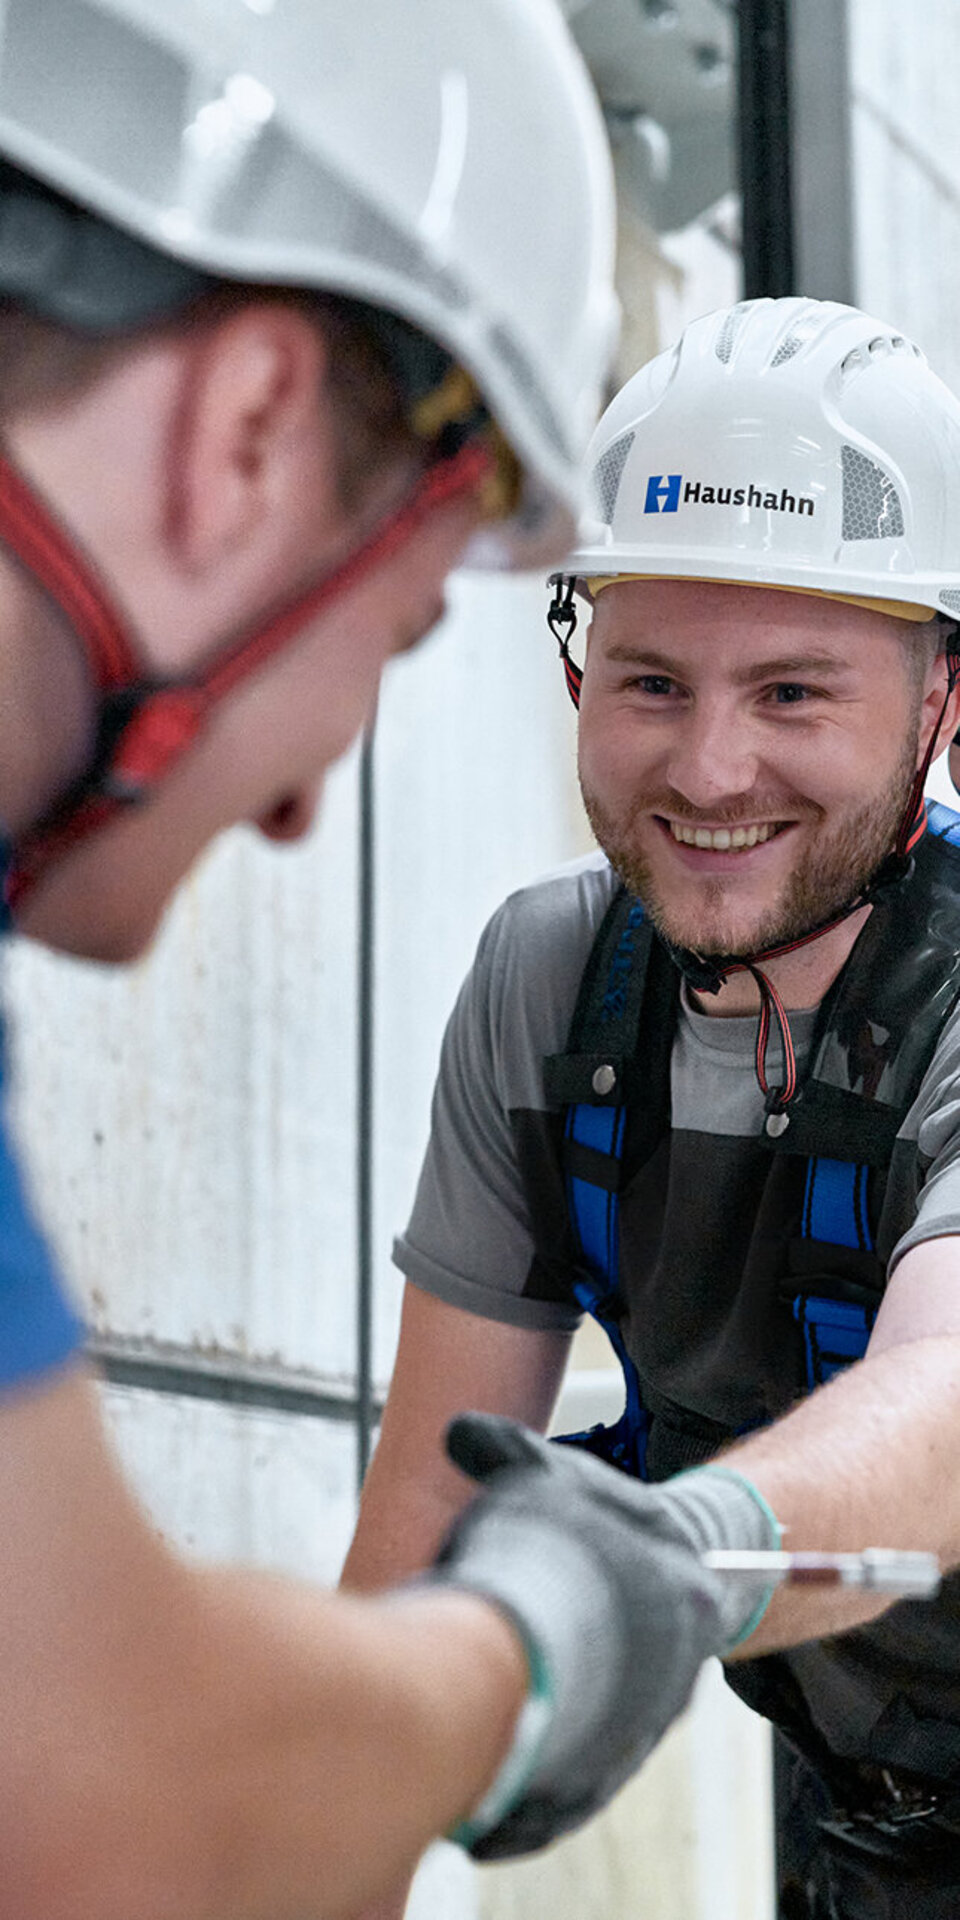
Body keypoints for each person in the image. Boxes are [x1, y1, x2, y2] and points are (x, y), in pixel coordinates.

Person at [0, 2, 737, 1913]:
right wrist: (536, 1642)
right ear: (243, 434)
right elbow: (116, 1805)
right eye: (400, 636)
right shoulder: (547, 985)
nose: (304, 809)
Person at [345, 297, 960, 1919]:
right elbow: (422, 1519)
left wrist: (658, 1569)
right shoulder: (552, 987)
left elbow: (949, 1405)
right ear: (576, 662)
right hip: (881, 1840)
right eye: (651, 679)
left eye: (795, 695)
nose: (707, 768)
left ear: (941, 705)